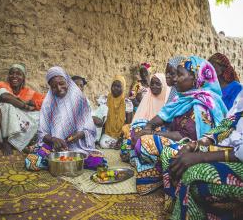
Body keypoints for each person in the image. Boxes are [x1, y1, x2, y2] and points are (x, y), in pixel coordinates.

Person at [130, 56, 228, 194]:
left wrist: (151, 133)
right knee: (137, 126)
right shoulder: (183, 97)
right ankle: (154, 169)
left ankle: (154, 170)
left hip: (191, 147)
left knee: (145, 143)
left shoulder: (203, 104)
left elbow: (186, 137)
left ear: (196, 79)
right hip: (173, 136)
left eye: (180, 75)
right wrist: (148, 126)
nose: (175, 79)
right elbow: (163, 116)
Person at [161, 90, 243, 220]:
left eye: (179, 74)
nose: (175, 79)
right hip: (226, 146)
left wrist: (202, 156)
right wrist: (194, 145)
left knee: (193, 173)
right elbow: (226, 125)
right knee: (172, 153)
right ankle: (175, 205)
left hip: (238, 156)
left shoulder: (204, 101)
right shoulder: (241, 96)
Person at [25, 66, 106, 171]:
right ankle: (64, 162)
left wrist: (80, 134)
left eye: (61, 83)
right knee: (31, 162)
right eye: (54, 86)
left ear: (68, 82)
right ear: (50, 88)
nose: (59, 88)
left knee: (99, 162)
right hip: (54, 148)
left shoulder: (80, 102)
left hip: (78, 148)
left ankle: (59, 163)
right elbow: (42, 133)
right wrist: (53, 139)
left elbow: (90, 129)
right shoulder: (48, 104)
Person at [0, 63, 45, 155]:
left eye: (18, 74)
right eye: (12, 73)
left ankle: (19, 142)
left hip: (20, 128)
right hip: (2, 128)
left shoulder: (29, 92)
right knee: (7, 104)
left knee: (41, 114)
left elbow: (46, 101)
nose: (14, 76)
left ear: (23, 77)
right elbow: (4, 97)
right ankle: (6, 142)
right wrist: (25, 106)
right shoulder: (2, 85)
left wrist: (34, 103)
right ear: (8, 76)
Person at [99, 76, 133, 149]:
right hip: (108, 133)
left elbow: (128, 123)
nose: (115, 88)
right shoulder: (105, 99)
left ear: (123, 88)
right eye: (113, 85)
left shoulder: (127, 102)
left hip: (122, 134)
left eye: (118, 86)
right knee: (103, 144)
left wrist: (121, 138)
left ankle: (120, 143)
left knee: (128, 143)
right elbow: (101, 117)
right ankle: (118, 145)